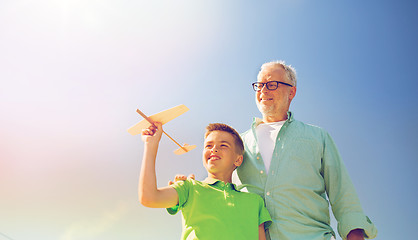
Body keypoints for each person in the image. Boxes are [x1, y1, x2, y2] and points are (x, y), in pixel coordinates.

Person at [174, 61, 378, 240]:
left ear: (292, 92)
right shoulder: (240, 144)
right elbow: (222, 188)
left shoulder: (317, 137)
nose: (263, 90)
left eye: (271, 85)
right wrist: (191, 187)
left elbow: (343, 194)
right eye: (259, 85)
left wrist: (355, 235)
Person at [138, 122, 272, 240]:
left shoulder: (255, 202)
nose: (214, 149)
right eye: (208, 145)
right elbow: (149, 197)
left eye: (223, 145)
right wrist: (151, 145)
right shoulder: (189, 187)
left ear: (238, 160)